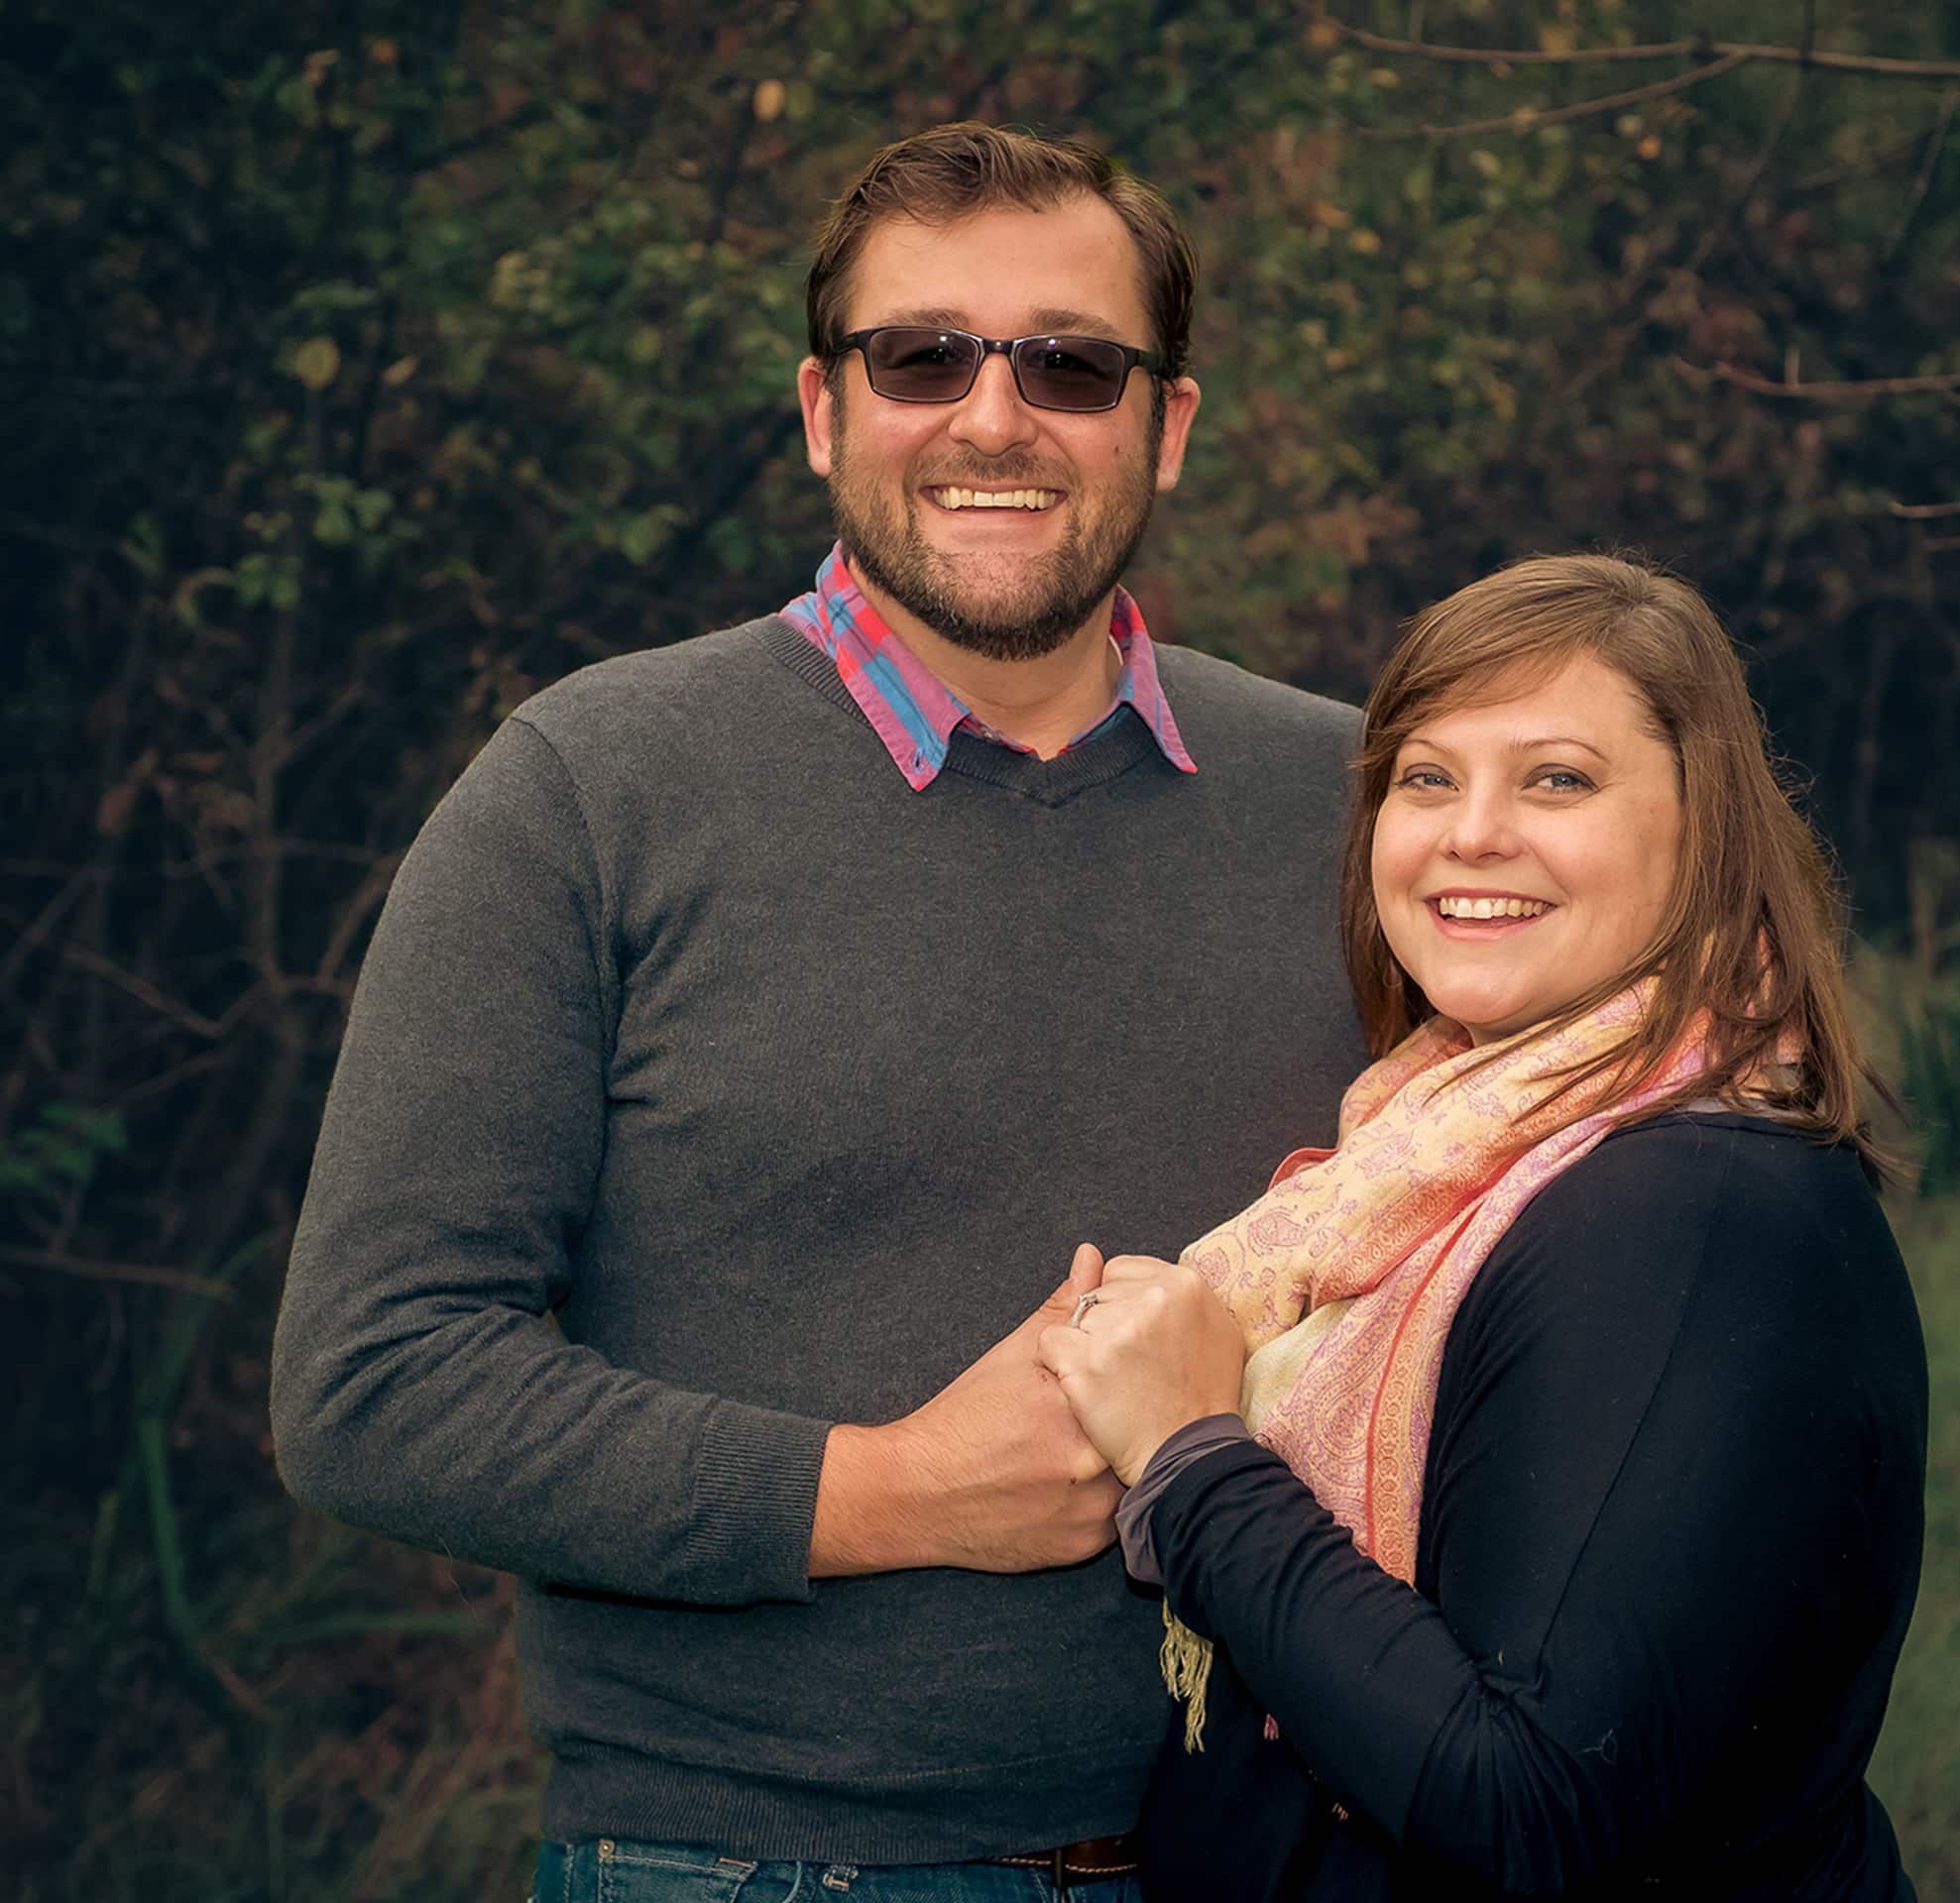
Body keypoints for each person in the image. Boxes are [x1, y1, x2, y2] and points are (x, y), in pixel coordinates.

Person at [268, 123, 1370, 1898]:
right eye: (921, 357)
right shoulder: (589, 790)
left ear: (1165, 424)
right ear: (822, 410)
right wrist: (893, 1491)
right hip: (749, 1865)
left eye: (1071, 366)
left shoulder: (1358, 806)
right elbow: (372, 1380)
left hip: (1288, 1856)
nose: (994, 419)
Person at [1038, 554, 1928, 1900]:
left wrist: (1191, 1459)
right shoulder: (1439, 1155)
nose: (1472, 833)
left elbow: (1529, 1806)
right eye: (1427, 777)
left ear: (1706, 834)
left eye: (1557, 779)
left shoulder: (1695, 1211)